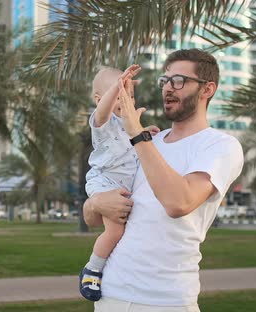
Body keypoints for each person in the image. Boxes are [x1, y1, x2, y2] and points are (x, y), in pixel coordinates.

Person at [83, 49, 244, 311]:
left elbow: (178, 203)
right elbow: (92, 217)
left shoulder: (220, 146)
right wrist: (96, 202)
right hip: (110, 293)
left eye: (179, 81)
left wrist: (136, 133)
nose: (168, 88)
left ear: (207, 89)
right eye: (165, 81)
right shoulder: (149, 140)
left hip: (165, 299)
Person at [80, 65, 160, 301]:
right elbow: (103, 113)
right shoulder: (102, 124)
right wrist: (117, 87)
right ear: (100, 99)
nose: (126, 98)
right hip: (105, 183)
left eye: (130, 94)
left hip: (123, 187)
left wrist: (145, 130)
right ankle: (92, 270)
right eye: (118, 94)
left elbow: (132, 141)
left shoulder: (129, 125)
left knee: (125, 229)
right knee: (115, 231)